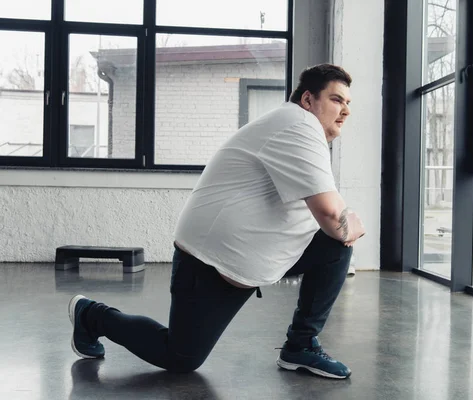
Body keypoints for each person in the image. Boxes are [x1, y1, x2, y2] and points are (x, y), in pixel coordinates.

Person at [67, 63, 366, 380]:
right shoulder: (299, 124)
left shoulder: (298, 129)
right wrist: (351, 223)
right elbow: (333, 216)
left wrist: (339, 225)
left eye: (348, 103)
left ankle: (301, 346)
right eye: (336, 100)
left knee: (334, 245)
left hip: (251, 256)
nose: (345, 111)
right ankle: (91, 315)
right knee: (181, 356)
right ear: (308, 100)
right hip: (209, 262)